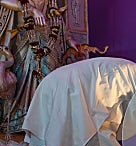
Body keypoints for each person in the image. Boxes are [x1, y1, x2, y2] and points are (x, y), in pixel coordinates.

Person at [0, 0, 79, 133]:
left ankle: (47, 119)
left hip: (48, 42)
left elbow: (55, 15)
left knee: (49, 78)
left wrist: (68, 38)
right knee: (23, 77)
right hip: (25, 39)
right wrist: (31, 9)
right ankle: (21, 119)